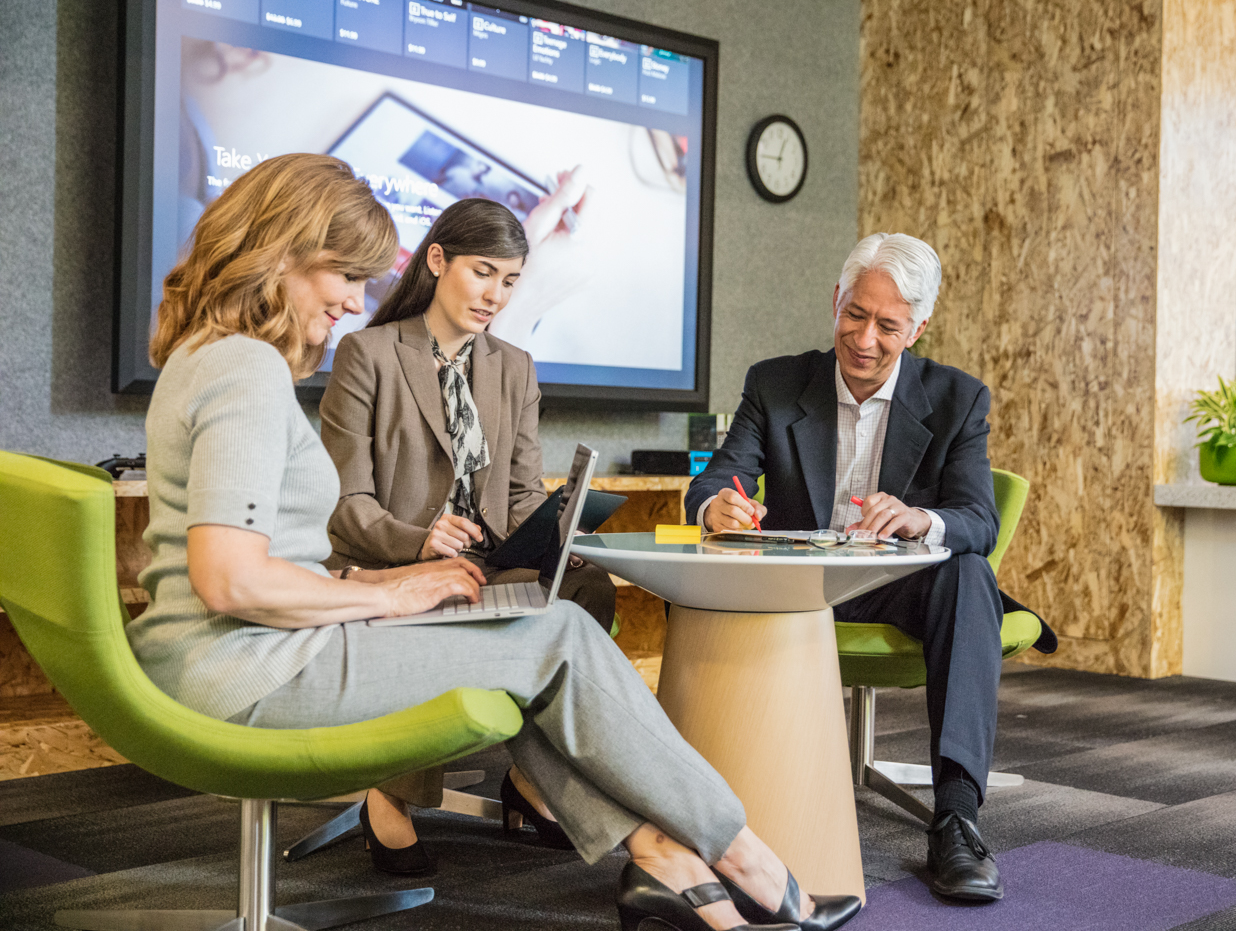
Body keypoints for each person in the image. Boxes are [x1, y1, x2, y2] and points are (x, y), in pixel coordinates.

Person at [128, 153, 859, 931]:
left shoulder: (209, 356)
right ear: (281, 249)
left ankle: (666, 858)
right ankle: (746, 857)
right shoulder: (246, 369)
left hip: (232, 656)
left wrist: (382, 591)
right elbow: (230, 580)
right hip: (246, 670)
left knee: (536, 638)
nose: (352, 300)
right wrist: (391, 584)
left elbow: (240, 566)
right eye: (345, 275)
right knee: (560, 637)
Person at [686, 233, 1057, 904]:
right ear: (835, 301)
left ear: (918, 327)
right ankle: (698, 805)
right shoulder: (775, 382)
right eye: (854, 314)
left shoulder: (957, 399)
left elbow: (978, 518)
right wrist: (717, 506)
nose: (864, 338)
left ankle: (956, 818)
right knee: (697, 576)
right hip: (798, 583)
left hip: (893, 586)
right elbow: (719, 478)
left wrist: (921, 519)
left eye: (887, 325)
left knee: (969, 572)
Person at [318, 196, 617, 631]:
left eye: (510, 281)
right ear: (437, 260)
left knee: (589, 583)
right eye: (483, 272)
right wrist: (421, 540)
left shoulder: (516, 367)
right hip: (397, 563)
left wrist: (559, 538)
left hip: (486, 565)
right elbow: (346, 501)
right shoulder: (367, 353)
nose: (495, 296)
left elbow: (521, 495)